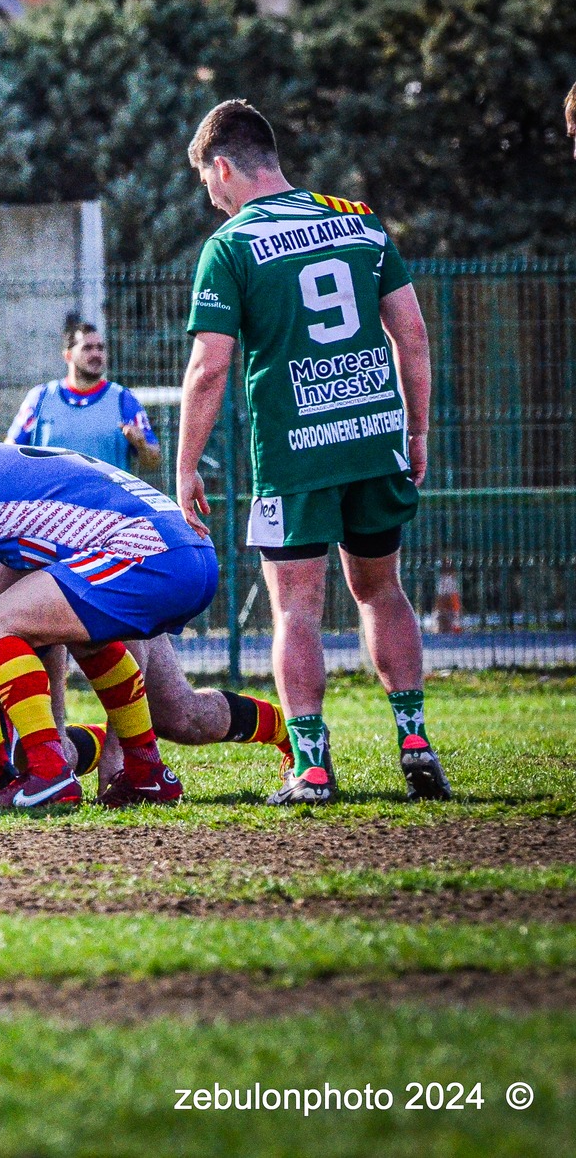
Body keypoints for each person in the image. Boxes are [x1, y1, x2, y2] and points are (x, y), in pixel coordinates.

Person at [176, 99, 447, 806]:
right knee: (382, 590)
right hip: (372, 433)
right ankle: (414, 739)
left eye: (210, 184)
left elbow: (209, 369)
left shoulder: (233, 244)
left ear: (225, 166)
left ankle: (313, 766)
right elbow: (411, 335)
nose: (214, 200)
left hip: (296, 451)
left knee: (296, 607)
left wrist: (183, 467)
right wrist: (415, 430)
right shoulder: (357, 218)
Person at [0, 377, 211, 809]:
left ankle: (50, 774)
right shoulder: (10, 469)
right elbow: (7, 623)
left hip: (154, 556)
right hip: (192, 549)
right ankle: (146, 774)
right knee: (68, 630)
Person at [10, 322, 161, 472]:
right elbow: (11, 451)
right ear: (68, 355)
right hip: (53, 496)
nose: (96, 354)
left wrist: (141, 445)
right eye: (87, 348)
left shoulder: (123, 399)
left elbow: (153, 462)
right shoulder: (41, 398)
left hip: (103, 496)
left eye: (100, 348)